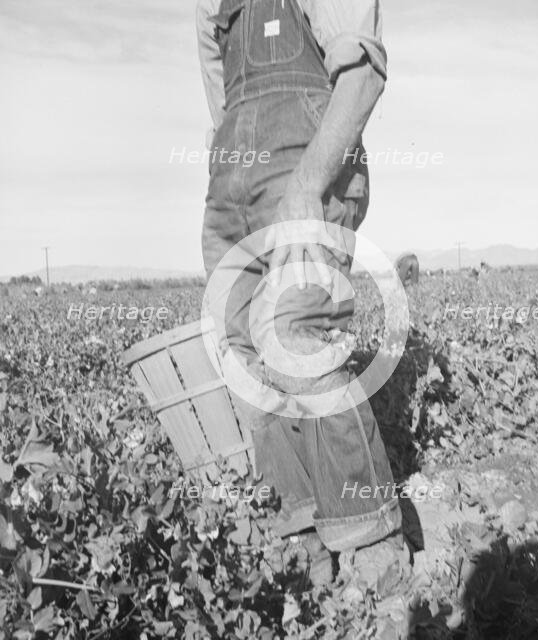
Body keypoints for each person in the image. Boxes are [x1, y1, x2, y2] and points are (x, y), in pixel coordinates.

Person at [196, 0, 407, 582]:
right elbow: (220, 100)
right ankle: (301, 530)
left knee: (295, 331)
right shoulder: (209, 5)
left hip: (304, 158)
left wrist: (308, 185)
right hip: (232, 176)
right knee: (243, 351)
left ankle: (371, 541)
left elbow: (362, 75)